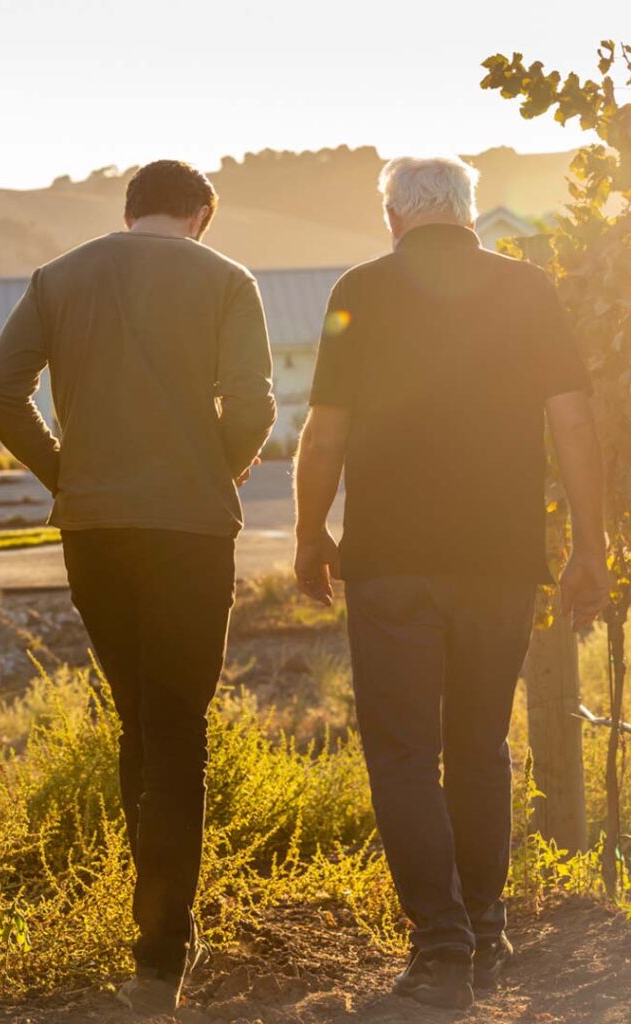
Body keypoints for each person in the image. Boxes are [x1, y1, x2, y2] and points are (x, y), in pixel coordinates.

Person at [293, 155, 608, 1011]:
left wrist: (309, 530)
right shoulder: (526, 289)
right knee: (479, 746)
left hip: (391, 560)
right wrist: (589, 542)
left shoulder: (362, 285)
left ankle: (441, 952)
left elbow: (325, 432)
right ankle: (488, 930)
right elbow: (572, 418)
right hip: (499, 559)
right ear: (468, 212)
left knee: (402, 752)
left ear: (394, 217)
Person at [0, 159, 276, 1015]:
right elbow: (253, 404)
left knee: (138, 719)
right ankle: (161, 956)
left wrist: (67, 475)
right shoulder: (228, 280)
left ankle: (152, 940)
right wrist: (206, 471)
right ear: (201, 214)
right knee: (179, 726)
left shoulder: (59, 277)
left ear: (129, 208)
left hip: (95, 530)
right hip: (189, 532)